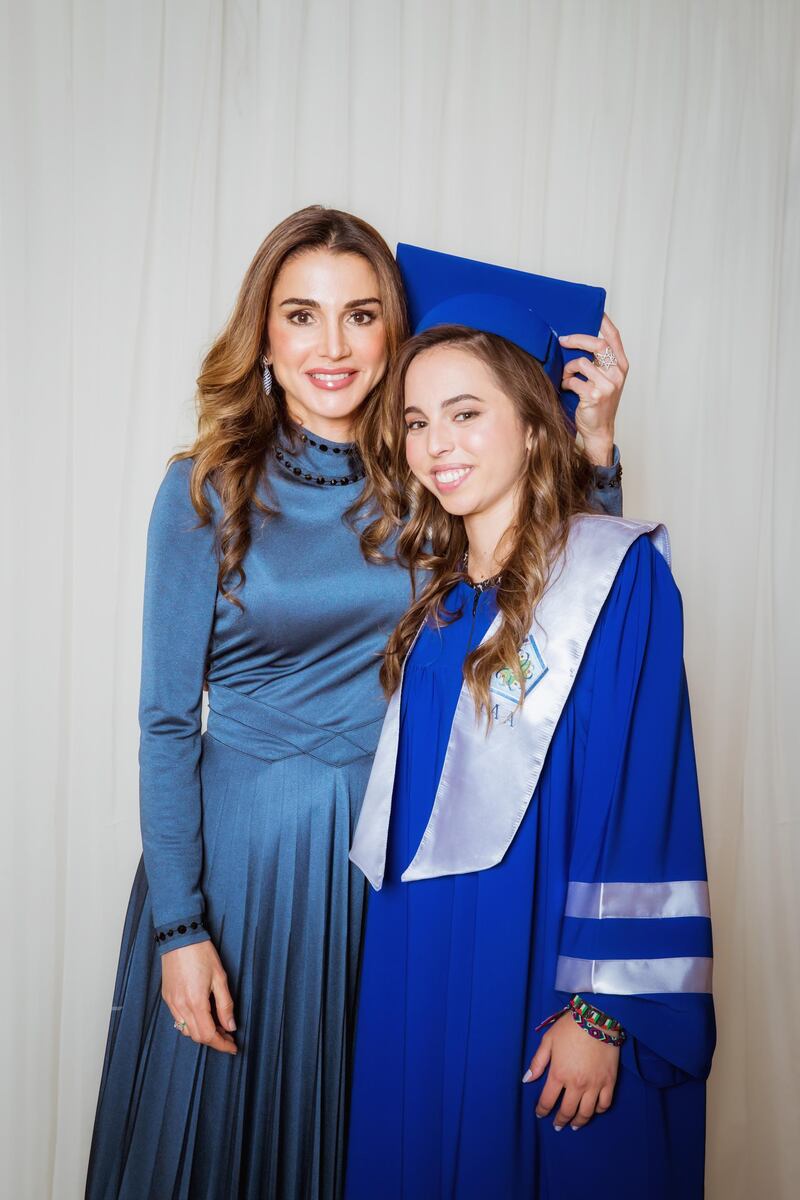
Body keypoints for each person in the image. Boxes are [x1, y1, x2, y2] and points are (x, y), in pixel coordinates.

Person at [85, 208, 627, 1200]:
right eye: (301, 316)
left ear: (394, 335)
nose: (330, 347)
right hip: (238, 875)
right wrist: (179, 929)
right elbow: (165, 724)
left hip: (383, 873)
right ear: (266, 335)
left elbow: (548, 616)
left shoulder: (426, 485)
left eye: (360, 316)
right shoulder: (204, 491)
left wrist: (591, 449)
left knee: (358, 1150)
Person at [346, 283, 715, 1199]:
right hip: (425, 958)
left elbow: (645, 790)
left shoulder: (618, 583)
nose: (438, 445)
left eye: (467, 414)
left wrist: (603, 1010)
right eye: (417, 421)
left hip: (545, 962)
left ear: (534, 420)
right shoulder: (438, 605)